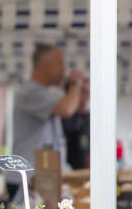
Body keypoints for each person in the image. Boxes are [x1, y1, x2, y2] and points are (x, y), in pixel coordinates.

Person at [9, 44, 85, 199]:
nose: (64, 70)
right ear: (44, 65)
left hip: (38, 178)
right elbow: (66, 109)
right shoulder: (30, 92)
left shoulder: (43, 93)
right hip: (27, 181)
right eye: (60, 64)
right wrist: (76, 84)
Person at [62, 79, 90, 170]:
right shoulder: (64, 119)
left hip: (86, 175)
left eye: (88, 92)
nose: (86, 96)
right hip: (68, 174)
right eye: (82, 92)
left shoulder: (90, 118)